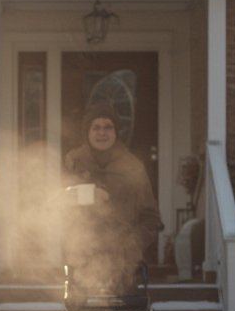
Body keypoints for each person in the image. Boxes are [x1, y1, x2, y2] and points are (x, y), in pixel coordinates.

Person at [62, 102, 162, 294]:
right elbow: (57, 204)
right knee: (82, 310)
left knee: (117, 309)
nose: (102, 133)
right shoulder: (73, 162)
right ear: (87, 131)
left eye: (108, 127)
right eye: (96, 127)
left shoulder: (133, 167)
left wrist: (132, 245)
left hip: (122, 264)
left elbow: (151, 218)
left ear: (116, 132)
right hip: (81, 262)